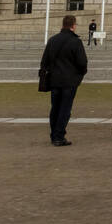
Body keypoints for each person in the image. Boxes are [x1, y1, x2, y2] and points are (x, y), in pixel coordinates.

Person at [39, 14, 88, 147]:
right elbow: (82, 62)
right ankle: (59, 136)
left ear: (63, 25)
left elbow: (44, 61)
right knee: (65, 109)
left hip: (54, 80)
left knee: (55, 108)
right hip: (69, 81)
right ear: (73, 25)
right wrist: (80, 75)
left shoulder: (52, 40)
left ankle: (54, 134)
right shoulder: (75, 41)